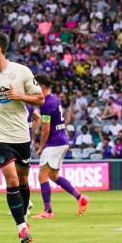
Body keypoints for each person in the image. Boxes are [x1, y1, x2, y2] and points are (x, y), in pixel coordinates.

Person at [0, 32, 44, 243]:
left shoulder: (21, 71)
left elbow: (40, 99)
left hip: (21, 134)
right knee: (12, 179)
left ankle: (23, 216)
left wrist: (19, 96)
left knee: (23, 180)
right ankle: (22, 228)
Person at [32, 75, 89, 219]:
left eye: (35, 85)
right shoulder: (55, 99)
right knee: (53, 175)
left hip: (54, 142)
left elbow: (45, 129)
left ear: (42, 86)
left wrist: (41, 147)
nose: (33, 88)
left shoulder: (46, 104)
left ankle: (48, 211)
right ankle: (80, 198)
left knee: (42, 176)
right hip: (62, 140)